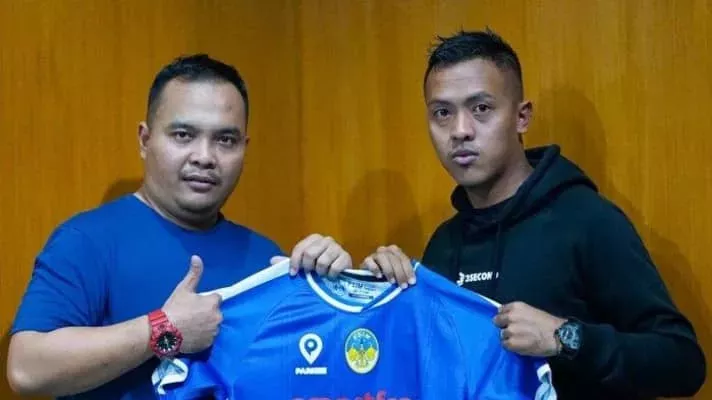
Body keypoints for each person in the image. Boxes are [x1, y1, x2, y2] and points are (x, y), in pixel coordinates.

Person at [360, 29, 707, 399]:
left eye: (481, 108)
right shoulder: (444, 245)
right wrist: (375, 297)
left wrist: (565, 338)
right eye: (442, 113)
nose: (460, 131)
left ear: (521, 117)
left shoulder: (587, 222)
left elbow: (682, 362)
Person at [6, 54, 349, 399]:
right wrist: (166, 329)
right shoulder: (87, 241)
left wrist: (339, 290)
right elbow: (26, 369)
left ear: (244, 149)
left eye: (225, 140)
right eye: (184, 135)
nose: (205, 157)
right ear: (145, 140)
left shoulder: (265, 257)